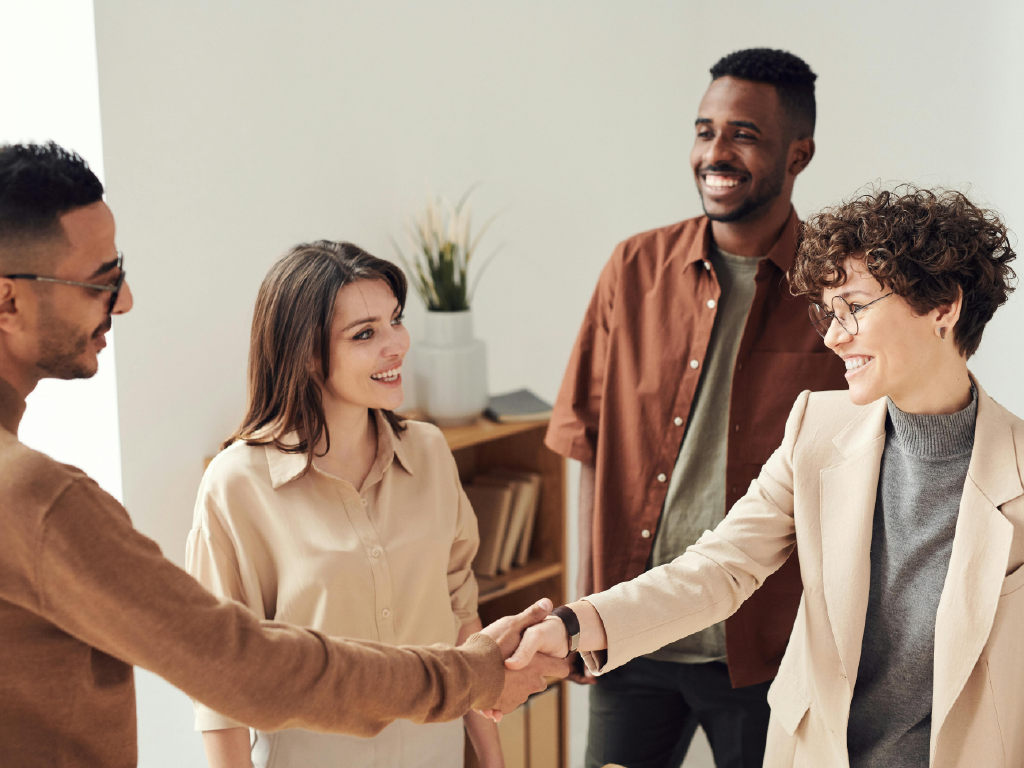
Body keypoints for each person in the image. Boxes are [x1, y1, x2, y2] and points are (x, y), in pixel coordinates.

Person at [0, 141, 567, 768]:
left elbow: (458, 606)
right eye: (101, 282)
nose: (126, 300)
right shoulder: (49, 499)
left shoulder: (428, 453)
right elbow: (234, 675)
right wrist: (472, 675)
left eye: (394, 321)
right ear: (7, 301)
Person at [507, 186, 1023, 768]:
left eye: (853, 306)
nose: (833, 336)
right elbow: (718, 568)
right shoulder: (816, 430)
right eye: (828, 313)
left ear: (943, 307)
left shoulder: (1019, 470)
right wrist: (574, 627)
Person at [545, 48, 846, 768]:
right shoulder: (632, 269)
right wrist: (590, 611)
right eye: (705, 130)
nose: (716, 152)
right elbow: (587, 445)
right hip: (630, 635)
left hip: (768, 648)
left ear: (797, 154)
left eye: (744, 134)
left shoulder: (837, 287)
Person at [188, 241, 504, 768]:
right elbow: (219, 682)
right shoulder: (237, 485)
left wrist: (493, 762)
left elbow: (462, 619)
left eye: (395, 321)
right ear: (307, 354)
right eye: (365, 334)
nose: (396, 345)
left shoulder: (428, 453)